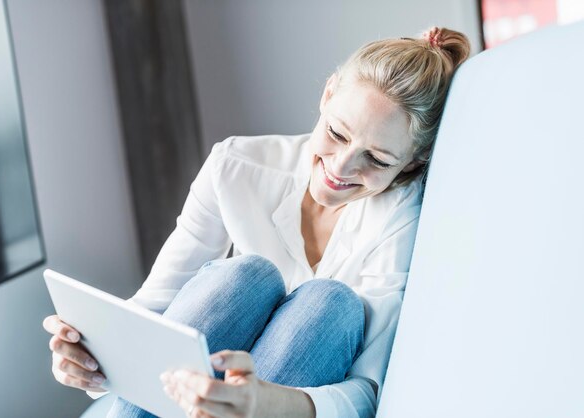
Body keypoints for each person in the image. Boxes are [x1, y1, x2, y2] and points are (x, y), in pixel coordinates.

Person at [43, 27, 470, 418]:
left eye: (376, 159)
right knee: (249, 274)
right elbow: (155, 308)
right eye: (337, 133)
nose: (341, 167)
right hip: (181, 396)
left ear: (413, 162)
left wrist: (263, 401)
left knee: (330, 303)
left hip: (276, 404)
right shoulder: (235, 166)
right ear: (327, 94)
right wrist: (88, 361)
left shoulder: (400, 218)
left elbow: (367, 392)